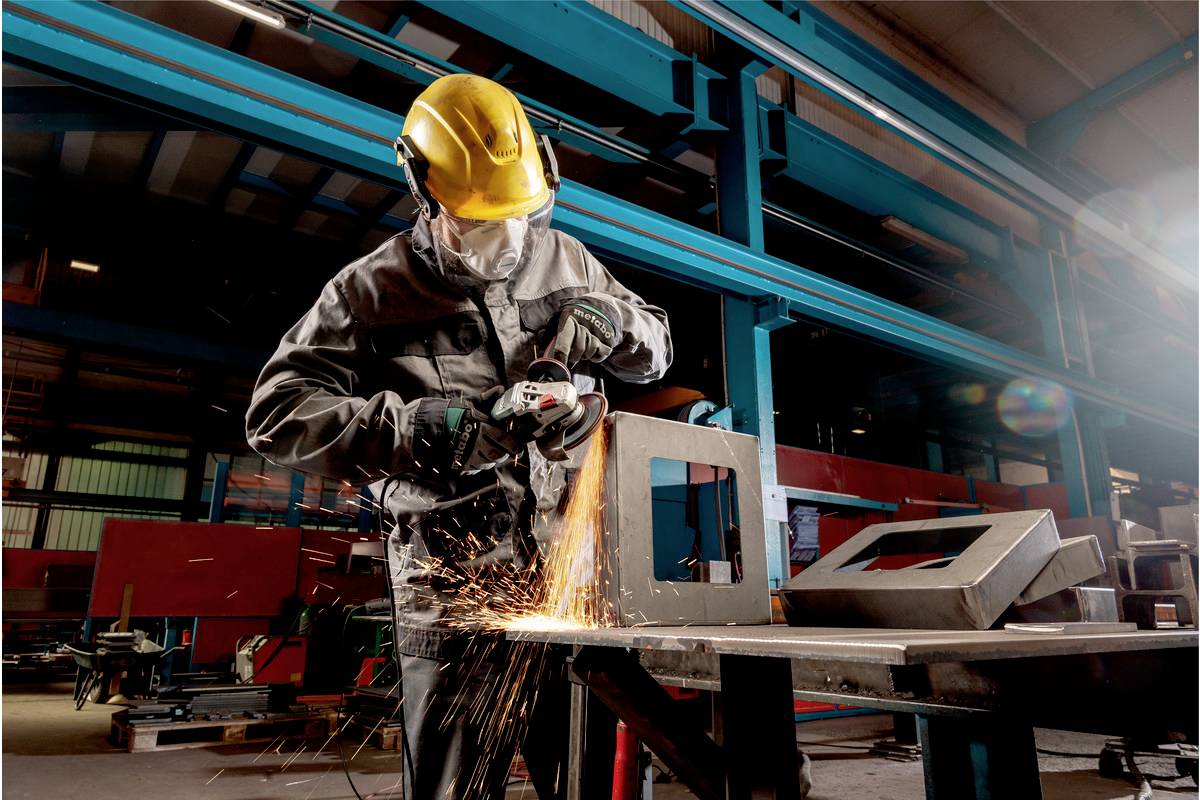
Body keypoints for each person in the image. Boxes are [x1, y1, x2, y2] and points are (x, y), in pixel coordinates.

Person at [245, 73, 672, 800]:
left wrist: (613, 326)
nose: (505, 240)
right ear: (423, 186)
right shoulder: (369, 290)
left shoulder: (566, 259)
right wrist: (412, 429)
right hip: (452, 590)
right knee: (454, 788)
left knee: (596, 777)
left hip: (572, 573)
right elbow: (275, 413)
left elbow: (656, 347)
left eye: (521, 215)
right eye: (478, 221)